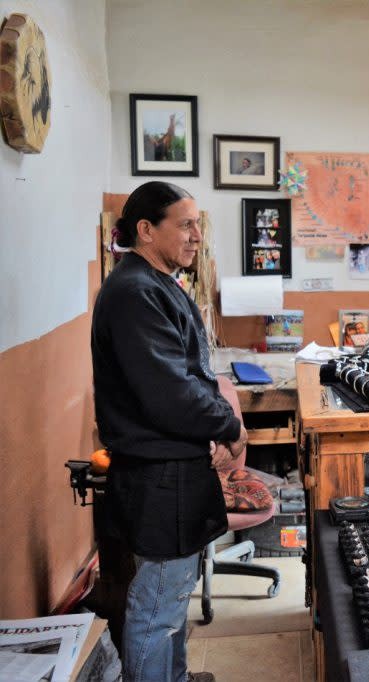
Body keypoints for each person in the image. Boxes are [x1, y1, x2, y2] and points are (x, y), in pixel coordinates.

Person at [93, 181, 247, 682]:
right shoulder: (135, 293)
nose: (197, 236)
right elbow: (171, 393)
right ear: (145, 230)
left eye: (197, 224)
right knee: (157, 606)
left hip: (175, 468)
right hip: (159, 477)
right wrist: (228, 426)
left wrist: (219, 423)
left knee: (173, 598)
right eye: (185, 224)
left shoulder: (157, 283)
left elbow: (189, 375)